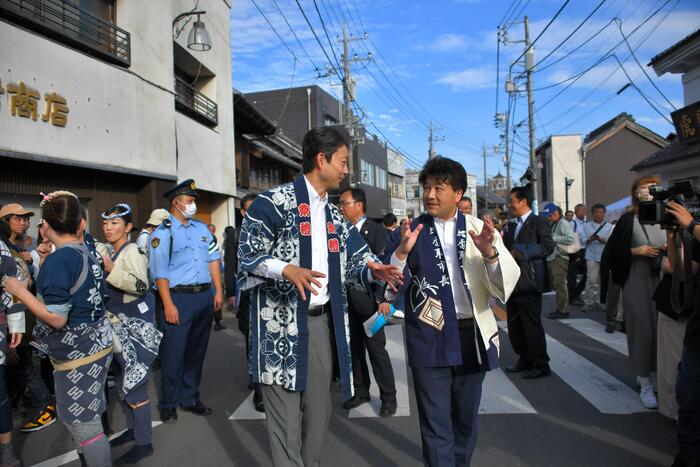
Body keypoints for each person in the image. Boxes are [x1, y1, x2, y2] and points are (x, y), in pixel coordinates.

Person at [237, 127, 402, 467]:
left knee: (320, 409)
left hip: (320, 324)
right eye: (342, 162)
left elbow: (355, 258)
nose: (346, 171)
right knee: (284, 421)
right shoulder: (274, 202)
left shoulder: (332, 214)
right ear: (321, 159)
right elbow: (247, 255)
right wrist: (286, 269)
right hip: (277, 328)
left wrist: (375, 269)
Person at [383, 157, 519, 466]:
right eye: (426, 188)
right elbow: (388, 287)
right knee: (434, 423)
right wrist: (402, 253)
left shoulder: (478, 229)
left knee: (465, 418)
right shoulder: (410, 231)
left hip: (471, 333)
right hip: (428, 335)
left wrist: (490, 254)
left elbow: (504, 287)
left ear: (458, 194)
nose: (430, 195)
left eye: (439, 188)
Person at [4, 191, 113, 467]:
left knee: (87, 430)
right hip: (98, 346)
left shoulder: (59, 260)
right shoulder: (87, 251)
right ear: (79, 225)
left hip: (77, 357)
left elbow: (56, 318)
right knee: (89, 423)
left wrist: (19, 290)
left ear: (46, 228)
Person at [149, 179, 224, 423]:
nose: (193, 205)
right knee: (174, 353)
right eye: (190, 201)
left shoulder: (202, 229)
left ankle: (190, 397)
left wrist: (218, 290)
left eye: (194, 202)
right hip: (178, 298)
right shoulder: (163, 233)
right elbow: (160, 273)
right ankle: (169, 402)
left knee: (196, 352)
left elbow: (213, 259)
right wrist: (168, 304)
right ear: (176, 203)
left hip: (203, 296)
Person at [100, 203, 162, 464]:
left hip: (133, 330)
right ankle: (134, 430)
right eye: (105, 223)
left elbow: (140, 284)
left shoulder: (133, 250)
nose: (108, 228)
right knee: (123, 382)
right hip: (117, 329)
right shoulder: (111, 251)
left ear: (128, 228)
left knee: (135, 386)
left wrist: (110, 269)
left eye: (115, 223)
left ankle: (144, 442)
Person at [600, 175, 666, 409]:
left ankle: (657, 375)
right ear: (635, 192)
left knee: (661, 331)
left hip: (662, 278)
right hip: (636, 279)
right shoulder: (629, 219)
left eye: (654, 186)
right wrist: (636, 251)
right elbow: (612, 252)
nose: (650, 190)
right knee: (641, 330)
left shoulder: (666, 216)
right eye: (645, 187)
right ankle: (645, 381)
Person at [339, 188, 397, 417]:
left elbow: (386, 265)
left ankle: (388, 397)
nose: (341, 208)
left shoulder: (376, 231)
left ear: (359, 205)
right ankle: (361, 391)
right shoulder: (340, 231)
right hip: (346, 300)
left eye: (345, 203)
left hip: (371, 302)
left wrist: (384, 299)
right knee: (353, 349)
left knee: (376, 349)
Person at [503, 186, 554, 379]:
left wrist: (521, 251)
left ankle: (541, 364)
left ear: (523, 202)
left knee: (531, 324)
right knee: (515, 324)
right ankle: (523, 358)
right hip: (512, 282)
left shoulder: (538, 222)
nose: (509, 205)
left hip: (530, 282)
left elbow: (548, 247)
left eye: (512, 201)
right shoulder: (512, 225)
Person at [665, 200, 700, 467]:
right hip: (697, 335)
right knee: (688, 404)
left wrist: (692, 225)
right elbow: (682, 271)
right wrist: (673, 236)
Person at [229, 194, 264, 413]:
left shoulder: (271, 229)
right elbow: (230, 263)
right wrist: (228, 293)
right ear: (242, 212)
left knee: (265, 340)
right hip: (247, 294)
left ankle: (263, 384)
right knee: (252, 337)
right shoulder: (237, 234)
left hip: (270, 294)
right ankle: (257, 381)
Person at [0, 228, 25, 467]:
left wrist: (16, 322)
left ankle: (6, 449)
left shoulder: (1, 248)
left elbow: (12, 282)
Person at [541, 203, 575, 320]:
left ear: (556, 213)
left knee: (560, 285)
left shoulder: (563, 223)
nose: (549, 218)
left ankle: (563, 310)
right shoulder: (554, 223)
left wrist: (553, 238)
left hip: (559, 257)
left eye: (550, 215)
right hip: (553, 257)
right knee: (557, 285)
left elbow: (570, 238)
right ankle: (560, 308)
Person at [580, 204, 613, 312]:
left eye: (601, 212)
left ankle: (601, 301)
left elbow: (611, 241)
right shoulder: (586, 225)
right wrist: (590, 239)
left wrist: (603, 239)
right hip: (591, 256)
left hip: (605, 256)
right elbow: (582, 240)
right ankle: (589, 302)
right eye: (597, 212)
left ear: (604, 214)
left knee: (603, 281)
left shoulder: (609, 226)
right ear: (593, 213)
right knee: (591, 280)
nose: (599, 214)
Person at [0, 203, 36, 270]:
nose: (23, 223)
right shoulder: (2, 245)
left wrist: (29, 261)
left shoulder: (20, 246)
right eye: (18, 219)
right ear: (5, 221)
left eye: (25, 219)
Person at [568, 203, 587, 306]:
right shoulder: (573, 223)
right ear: (576, 212)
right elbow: (570, 237)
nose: (582, 212)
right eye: (580, 210)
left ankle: (576, 293)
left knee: (587, 274)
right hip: (575, 251)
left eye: (584, 210)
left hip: (585, 251)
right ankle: (572, 297)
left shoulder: (586, 223)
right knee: (572, 275)